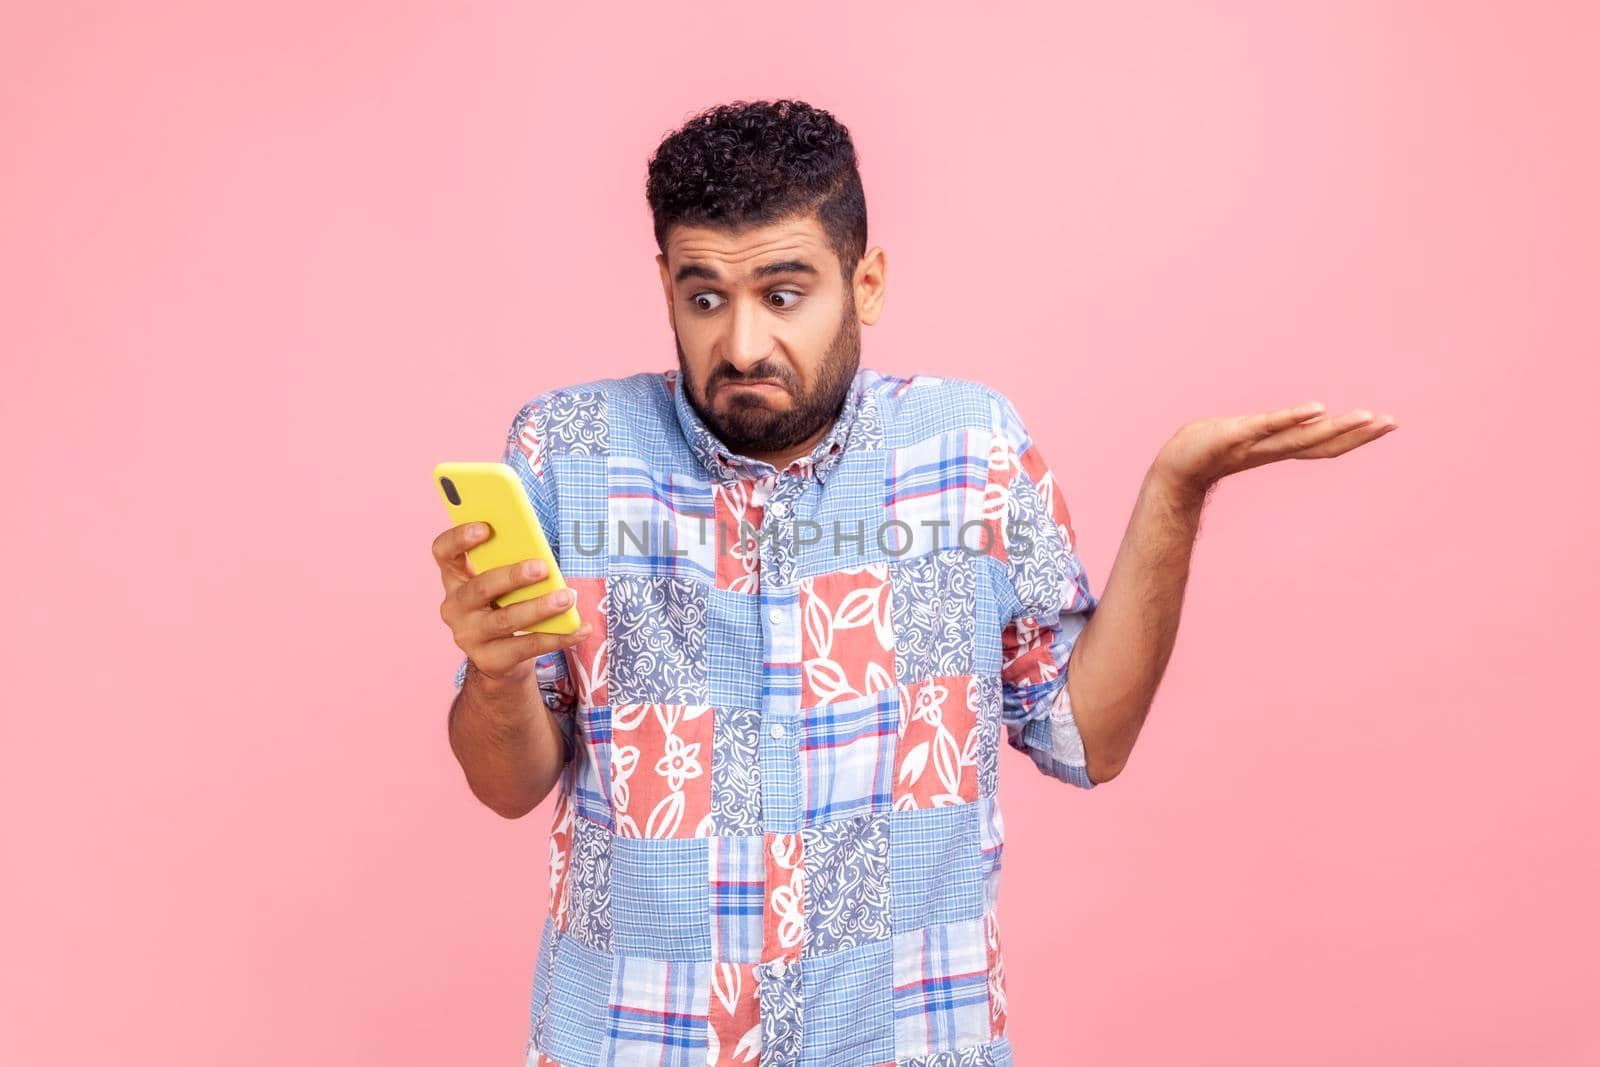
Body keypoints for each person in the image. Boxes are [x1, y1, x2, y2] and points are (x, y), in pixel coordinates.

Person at [431, 98, 1398, 1067]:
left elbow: (1087, 736)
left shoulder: (969, 450)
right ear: (664, 286)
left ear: (867, 281)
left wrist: (1176, 489)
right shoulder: (567, 452)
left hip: (901, 1041)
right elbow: (507, 783)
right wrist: (497, 672)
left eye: (783, 292)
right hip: (630, 1040)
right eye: (704, 298)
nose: (740, 346)